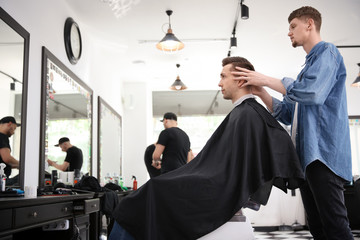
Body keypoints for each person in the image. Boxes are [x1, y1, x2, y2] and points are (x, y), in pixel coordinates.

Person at [109, 57, 304, 240]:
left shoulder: (248, 114)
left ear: (240, 80)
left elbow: (232, 165)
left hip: (217, 188)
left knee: (145, 196)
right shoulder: (244, 113)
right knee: (144, 197)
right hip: (214, 182)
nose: (219, 83)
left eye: (223, 76)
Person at [233, 6, 353, 240]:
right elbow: (288, 114)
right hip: (308, 160)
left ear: (310, 24)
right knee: (318, 229)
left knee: (335, 228)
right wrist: (262, 91)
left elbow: (313, 93)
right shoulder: (305, 72)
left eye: (293, 26)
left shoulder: (327, 52)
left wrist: (267, 79)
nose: (289, 33)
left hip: (324, 157)